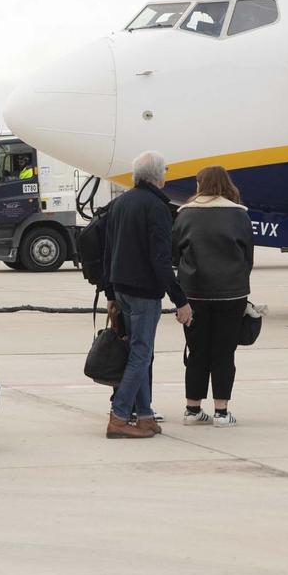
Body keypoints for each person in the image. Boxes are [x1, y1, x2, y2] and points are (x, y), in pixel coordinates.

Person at [101, 152, 189, 438]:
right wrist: (180, 300)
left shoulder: (120, 203)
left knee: (138, 352)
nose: (167, 174)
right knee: (141, 355)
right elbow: (161, 259)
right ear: (156, 176)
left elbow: (109, 250)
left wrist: (110, 292)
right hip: (143, 292)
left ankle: (146, 415)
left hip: (123, 288)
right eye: (165, 170)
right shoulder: (158, 208)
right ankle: (119, 416)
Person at [174, 164, 255, 426]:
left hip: (194, 293)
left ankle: (192, 408)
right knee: (224, 352)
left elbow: (176, 253)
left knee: (197, 351)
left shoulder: (185, 214)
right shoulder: (239, 214)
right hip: (231, 293)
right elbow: (247, 257)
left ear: (201, 185)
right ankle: (221, 411)